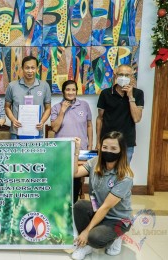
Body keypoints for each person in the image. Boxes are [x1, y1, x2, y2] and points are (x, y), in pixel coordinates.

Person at [71, 131, 133, 260]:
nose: (108, 151)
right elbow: (74, 173)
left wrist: (86, 232)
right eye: (105, 147)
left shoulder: (125, 177)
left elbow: (105, 207)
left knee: (94, 237)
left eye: (113, 148)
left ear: (121, 150)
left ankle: (115, 237)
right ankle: (85, 245)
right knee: (80, 205)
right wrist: (76, 150)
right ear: (100, 147)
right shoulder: (95, 162)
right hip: (98, 211)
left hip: (117, 219)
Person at [51, 80, 93, 202]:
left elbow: (89, 126)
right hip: (61, 149)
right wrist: (62, 111)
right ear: (63, 91)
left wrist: (90, 144)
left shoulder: (84, 105)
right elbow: (55, 128)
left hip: (81, 149)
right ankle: (62, 202)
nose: (70, 92)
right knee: (62, 176)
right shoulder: (56, 107)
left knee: (76, 176)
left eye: (73, 89)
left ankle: (73, 203)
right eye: (68, 89)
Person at [96, 64, 144, 163]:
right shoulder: (105, 93)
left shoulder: (138, 93)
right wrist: (98, 142)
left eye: (127, 75)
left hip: (127, 142)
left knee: (123, 174)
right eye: (121, 74)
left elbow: (137, 119)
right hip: (107, 141)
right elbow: (100, 118)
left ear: (132, 77)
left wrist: (130, 96)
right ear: (115, 75)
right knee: (105, 172)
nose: (124, 77)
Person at [5, 55, 52, 139]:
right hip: (16, 132)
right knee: (16, 153)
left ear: (37, 69)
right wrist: (13, 120)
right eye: (27, 68)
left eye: (33, 68)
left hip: (37, 132)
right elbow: (7, 107)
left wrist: (42, 122)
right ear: (22, 68)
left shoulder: (44, 86)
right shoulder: (12, 86)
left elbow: (48, 108)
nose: (30, 71)